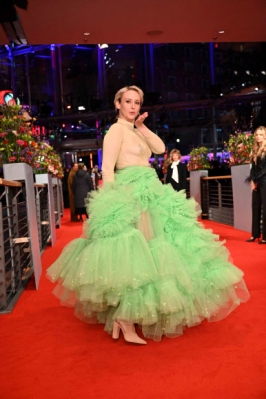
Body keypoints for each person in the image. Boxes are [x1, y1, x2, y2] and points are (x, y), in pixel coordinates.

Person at [47, 85, 249, 344]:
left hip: (151, 190)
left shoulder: (135, 130)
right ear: (118, 103)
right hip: (130, 193)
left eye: (137, 102)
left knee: (158, 249)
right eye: (128, 101)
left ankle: (130, 315)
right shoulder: (115, 132)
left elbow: (160, 148)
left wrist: (142, 127)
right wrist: (112, 203)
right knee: (134, 256)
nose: (133, 106)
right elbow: (107, 169)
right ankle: (125, 316)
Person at [246, 126, 266, 244]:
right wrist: (252, 180)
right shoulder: (254, 150)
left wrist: (257, 179)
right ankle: (255, 235)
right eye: (257, 134)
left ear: (265, 136)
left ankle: (265, 237)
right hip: (257, 182)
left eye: (260, 134)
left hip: (265, 181)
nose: (258, 136)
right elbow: (253, 168)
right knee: (255, 207)